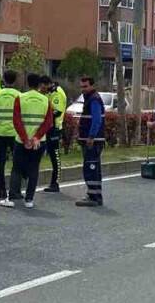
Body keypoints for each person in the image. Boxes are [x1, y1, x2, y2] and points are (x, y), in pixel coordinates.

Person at [5, 73, 54, 209]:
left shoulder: (20, 98)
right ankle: (29, 199)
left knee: (17, 169)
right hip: (39, 141)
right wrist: (37, 137)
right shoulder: (45, 100)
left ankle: (13, 196)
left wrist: (25, 139)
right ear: (39, 84)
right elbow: (48, 122)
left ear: (27, 83)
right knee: (33, 169)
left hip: (21, 141)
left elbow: (16, 120)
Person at [74, 75, 106, 207]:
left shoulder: (94, 99)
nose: (83, 89)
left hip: (93, 140)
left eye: (85, 86)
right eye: (81, 87)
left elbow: (97, 120)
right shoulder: (90, 98)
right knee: (93, 167)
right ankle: (95, 194)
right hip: (90, 139)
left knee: (91, 168)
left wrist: (91, 136)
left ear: (92, 85)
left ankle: (93, 196)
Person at [0, 70, 21, 204]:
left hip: (1, 131)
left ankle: (1, 191)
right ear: (15, 80)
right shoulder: (19, 96)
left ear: (3, 79)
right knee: (17, 162)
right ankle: (15, 190)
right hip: (15, 133)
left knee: (1, 162)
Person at [41, 77, 68, 192]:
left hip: (55, 128)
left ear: (48, 84)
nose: (43, 89)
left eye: (43, 86)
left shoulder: (57, 93)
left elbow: (57, 112)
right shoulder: (50, 92)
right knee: (49, 154)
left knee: (55, 156)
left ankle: (55, 183)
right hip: (48, 127)